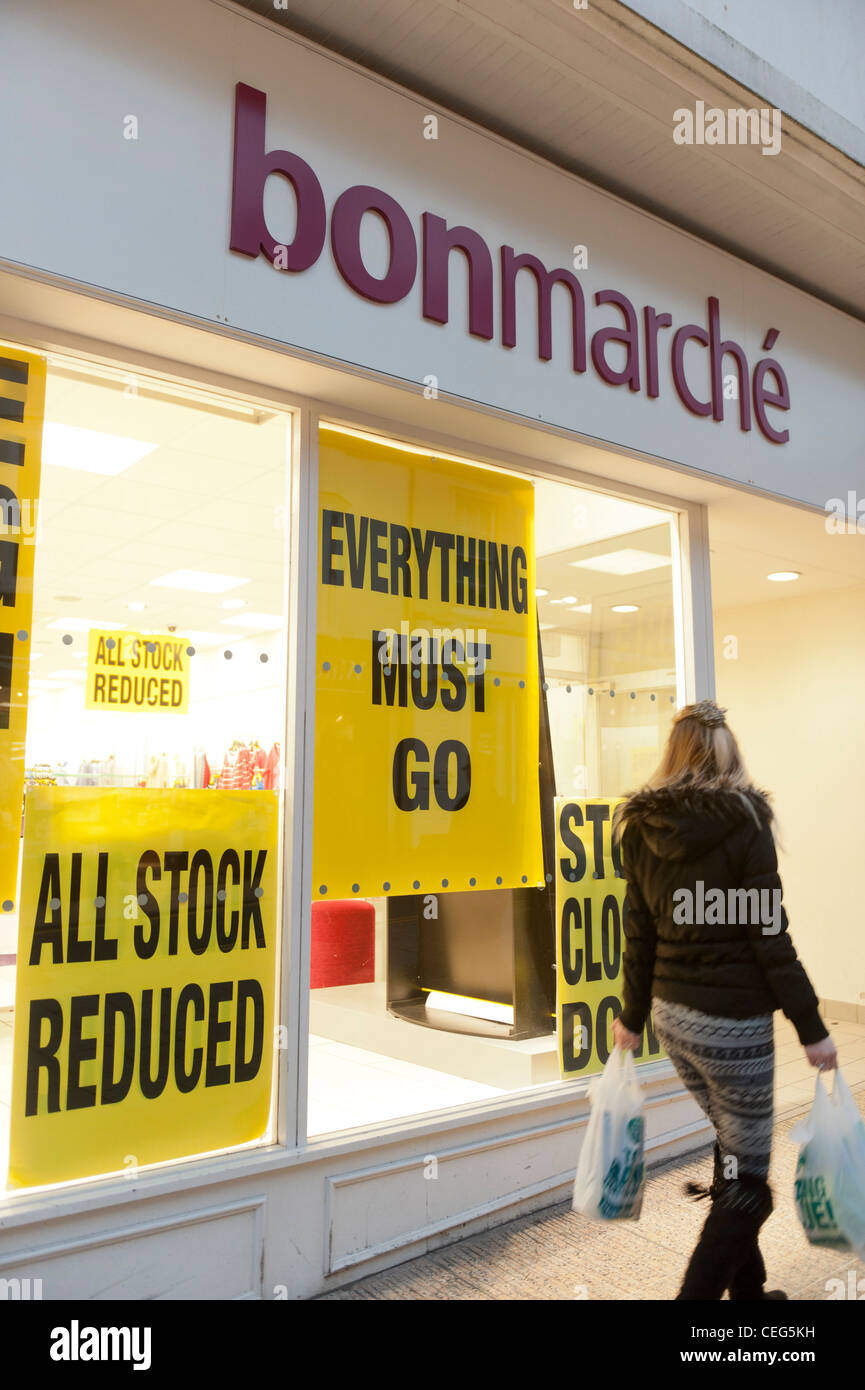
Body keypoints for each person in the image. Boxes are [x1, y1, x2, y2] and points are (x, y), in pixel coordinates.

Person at [610, 698, 837, 1301]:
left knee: (733, 1148)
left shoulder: (639, 828)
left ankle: (749, 1296)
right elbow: (771, 937)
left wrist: (631, 1017)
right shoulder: (746, 821)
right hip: (732, 1027)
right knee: (751, 1187)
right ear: (728, 751)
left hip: (672, 1019)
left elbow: (640, 935)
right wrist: (813, 1027)